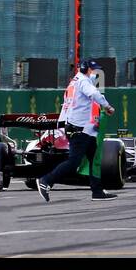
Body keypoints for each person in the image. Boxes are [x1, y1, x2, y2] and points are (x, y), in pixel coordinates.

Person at [37, 59, 117, 201]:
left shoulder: (73, 82)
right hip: (79, 129)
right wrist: (107, 106)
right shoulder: (83, 82)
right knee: (73, 162)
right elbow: (95, 94)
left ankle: (97, 191)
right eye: (93, 70)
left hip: (83, 128)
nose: (94, 73)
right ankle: (46, 181)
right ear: (86, 69)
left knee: (94, 158)